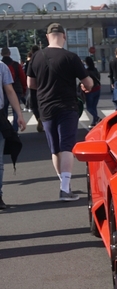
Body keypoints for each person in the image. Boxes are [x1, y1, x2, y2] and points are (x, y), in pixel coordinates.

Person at [27, 22, 93, 201]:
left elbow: (30, 84)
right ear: (63, 36)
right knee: (67, 146)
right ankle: (65, 188)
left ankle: (64, 184)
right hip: (67, 106)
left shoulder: (36, 57)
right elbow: (89, 83)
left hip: (45, 107)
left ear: (47, 37)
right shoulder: (71, 57)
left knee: (55, 149)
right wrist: (81, 85)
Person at [0, 61, 27, 209]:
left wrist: (19, 114)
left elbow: (10, 91)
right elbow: (9, 91)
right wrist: (19, 114)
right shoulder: (1, 66)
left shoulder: (1, 66)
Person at [1, 47, 27, 132]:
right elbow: (22, 77)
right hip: (16, 89)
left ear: (1, 54)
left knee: (5, 111)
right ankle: (14, 129)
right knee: (15, 111)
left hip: (3, 92)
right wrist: (24, 89)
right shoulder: (12, 65)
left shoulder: (3, 65)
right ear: (9, 53)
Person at [84, 57, 102, 128]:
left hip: (91, 90)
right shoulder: (96, 70)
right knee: (94, 107)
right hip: (98, 89)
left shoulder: (87, 71)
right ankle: (94, 122)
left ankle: (97, 118)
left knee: (89, 108)